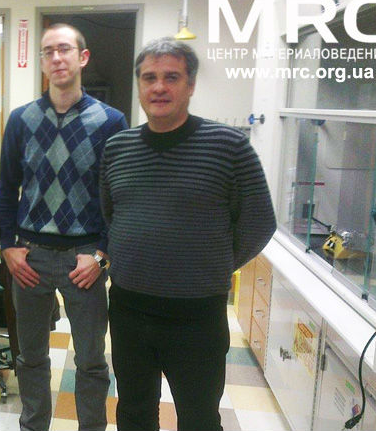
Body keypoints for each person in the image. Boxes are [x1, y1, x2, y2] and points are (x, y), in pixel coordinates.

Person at [100, 37, 276, 431]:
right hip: (129, 311)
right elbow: (111, 214)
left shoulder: (229, 147)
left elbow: (259, 223)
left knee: (199, 419)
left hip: (197, 317)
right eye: (149, 78)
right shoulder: (117, 148)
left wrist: (212, 264)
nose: (159, 87)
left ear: (191, 85)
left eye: (171, 77)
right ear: (139, 85)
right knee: (133, 413)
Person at [0, 23, 128, 431]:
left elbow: (119, 196)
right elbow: (6, 190)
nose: (56, 58)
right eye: (48, 51)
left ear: (82, 57)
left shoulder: (110, 121)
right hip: (29, 258)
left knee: (90, 360)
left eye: (65, 49)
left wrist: (102, 254)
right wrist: (7, 246)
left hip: (83, 260)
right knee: (30, 357)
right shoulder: (21, 120)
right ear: (41, 61)